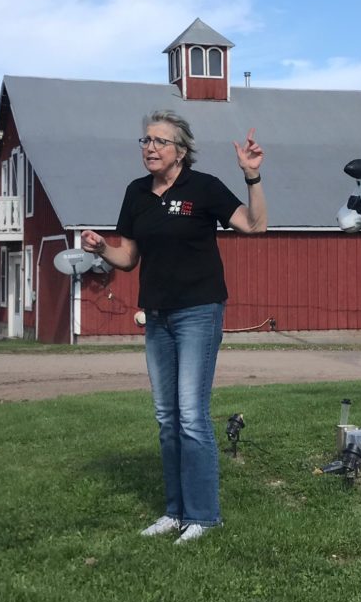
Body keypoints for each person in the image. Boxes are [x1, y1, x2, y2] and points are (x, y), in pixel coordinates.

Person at [81, 110, 267, 544]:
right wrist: (102, 247)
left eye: (160, 141)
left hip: (199, 311)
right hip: (157, 314)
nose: (150, 147)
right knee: (167, 418)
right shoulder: (136, 193)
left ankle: (202, 515)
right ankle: (174, 511)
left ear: (181, 151)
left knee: (191, 416)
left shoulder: (203, 188)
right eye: (145, 140)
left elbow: (255, 226)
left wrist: (252, 177)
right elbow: (128, 258)